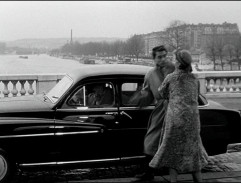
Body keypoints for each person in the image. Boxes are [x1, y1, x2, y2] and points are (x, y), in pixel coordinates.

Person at [149, 49, 209, 182]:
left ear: (178, 63)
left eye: (175, 59)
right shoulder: (194, 79)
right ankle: (198, 180)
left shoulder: (171, 77)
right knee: (193, 151)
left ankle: (173, 181)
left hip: (175, 120)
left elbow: (161, 94)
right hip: (192, 121)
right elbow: (196, 95)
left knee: (172, 151)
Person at [133, 45, 175, 181]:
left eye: (164, 56)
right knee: (151, 141)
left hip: (175, 110)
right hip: (161, 110)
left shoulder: (175, 70)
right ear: (154, 58)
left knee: (175, 142)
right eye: (159, 57)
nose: (162, 59)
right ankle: (148, 172)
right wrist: (139, 98)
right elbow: (148, 93)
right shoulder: (150, 74)